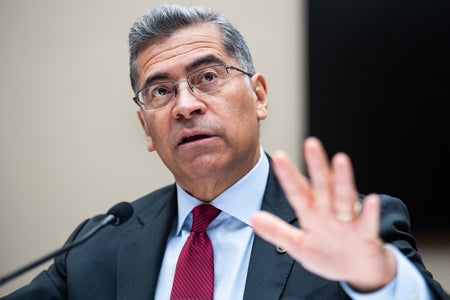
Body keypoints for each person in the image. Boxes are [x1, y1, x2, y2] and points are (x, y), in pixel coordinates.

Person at [1, 4, 449, 300]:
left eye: (208, 76)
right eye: (160, 90)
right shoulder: (97, 246)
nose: (186, 104)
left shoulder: (353, 228)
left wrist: (378, 283)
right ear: (147, 128)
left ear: (259, 96)